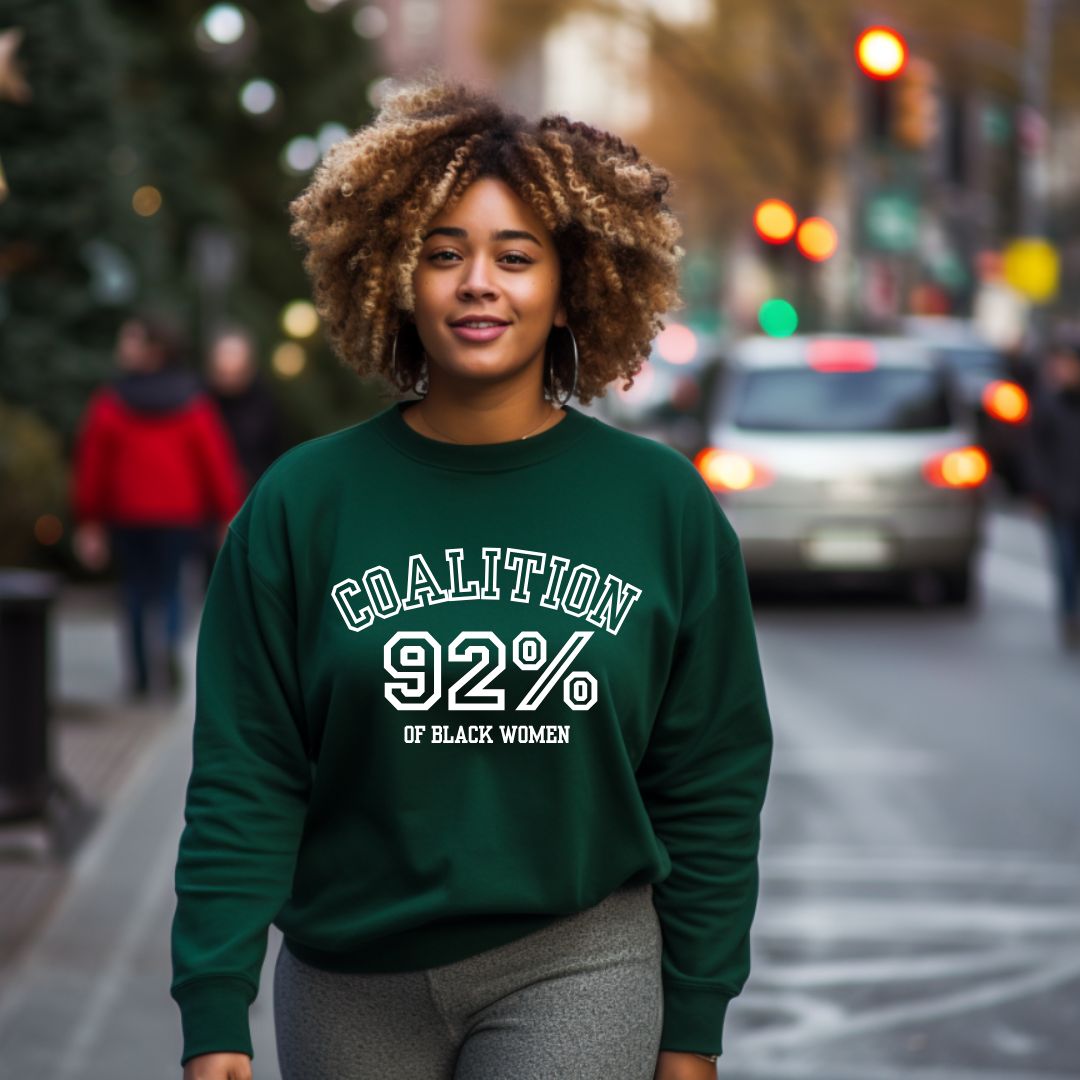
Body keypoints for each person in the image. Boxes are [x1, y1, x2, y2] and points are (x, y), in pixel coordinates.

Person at [170, 75, 773, 1080]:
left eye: (515, 256)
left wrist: (695, 1019)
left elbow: (709, 776)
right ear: (394, 276)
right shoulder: (302, 504)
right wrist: (213, 1003)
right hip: (348, 974)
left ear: (572, 282)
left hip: (581, 958)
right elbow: (249, 768)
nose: (477, 283)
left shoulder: (659, 505)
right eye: (443, 254)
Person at [70, 312, 247, 698]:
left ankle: (139, 677)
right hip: (179, 516)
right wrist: (227, 513)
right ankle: (167, 644)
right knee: (171, 589)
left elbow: (92, 465)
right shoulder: (193, 401)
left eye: (130, 340)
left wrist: (89, 520)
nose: (122, 347)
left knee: (134, 591)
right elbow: (215, 461)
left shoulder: (111, 402)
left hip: (128, 514)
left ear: (152, 350)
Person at [198, 326, 288, 586]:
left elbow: (275, 450)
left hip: (253, 496)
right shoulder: (201, 402)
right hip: (209, 505)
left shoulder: (264, 402)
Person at [1025, 341, 1080, 650]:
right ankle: (1069, 615)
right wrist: (1040, 491)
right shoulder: (1049, 405)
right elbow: (1035, 452)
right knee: (1066, 564)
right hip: (1061, 502)